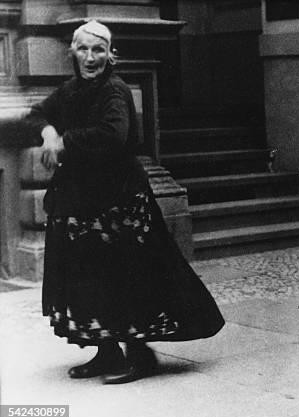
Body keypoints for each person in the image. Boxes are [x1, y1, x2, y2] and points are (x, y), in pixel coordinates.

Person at [26, 21, 224, 384]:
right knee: (90, 276)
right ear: (72, 52)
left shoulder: (115, 90)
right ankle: (106, 352)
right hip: (82, 198)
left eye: (98, 50)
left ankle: (140, 355)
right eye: (83, 49)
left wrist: (64, 141)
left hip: (117, 198)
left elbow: (113, 136)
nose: (90, 57)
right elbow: (36, 113)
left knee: (125, 276)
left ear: (110, 54)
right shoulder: (69, 91)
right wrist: (48, 131)